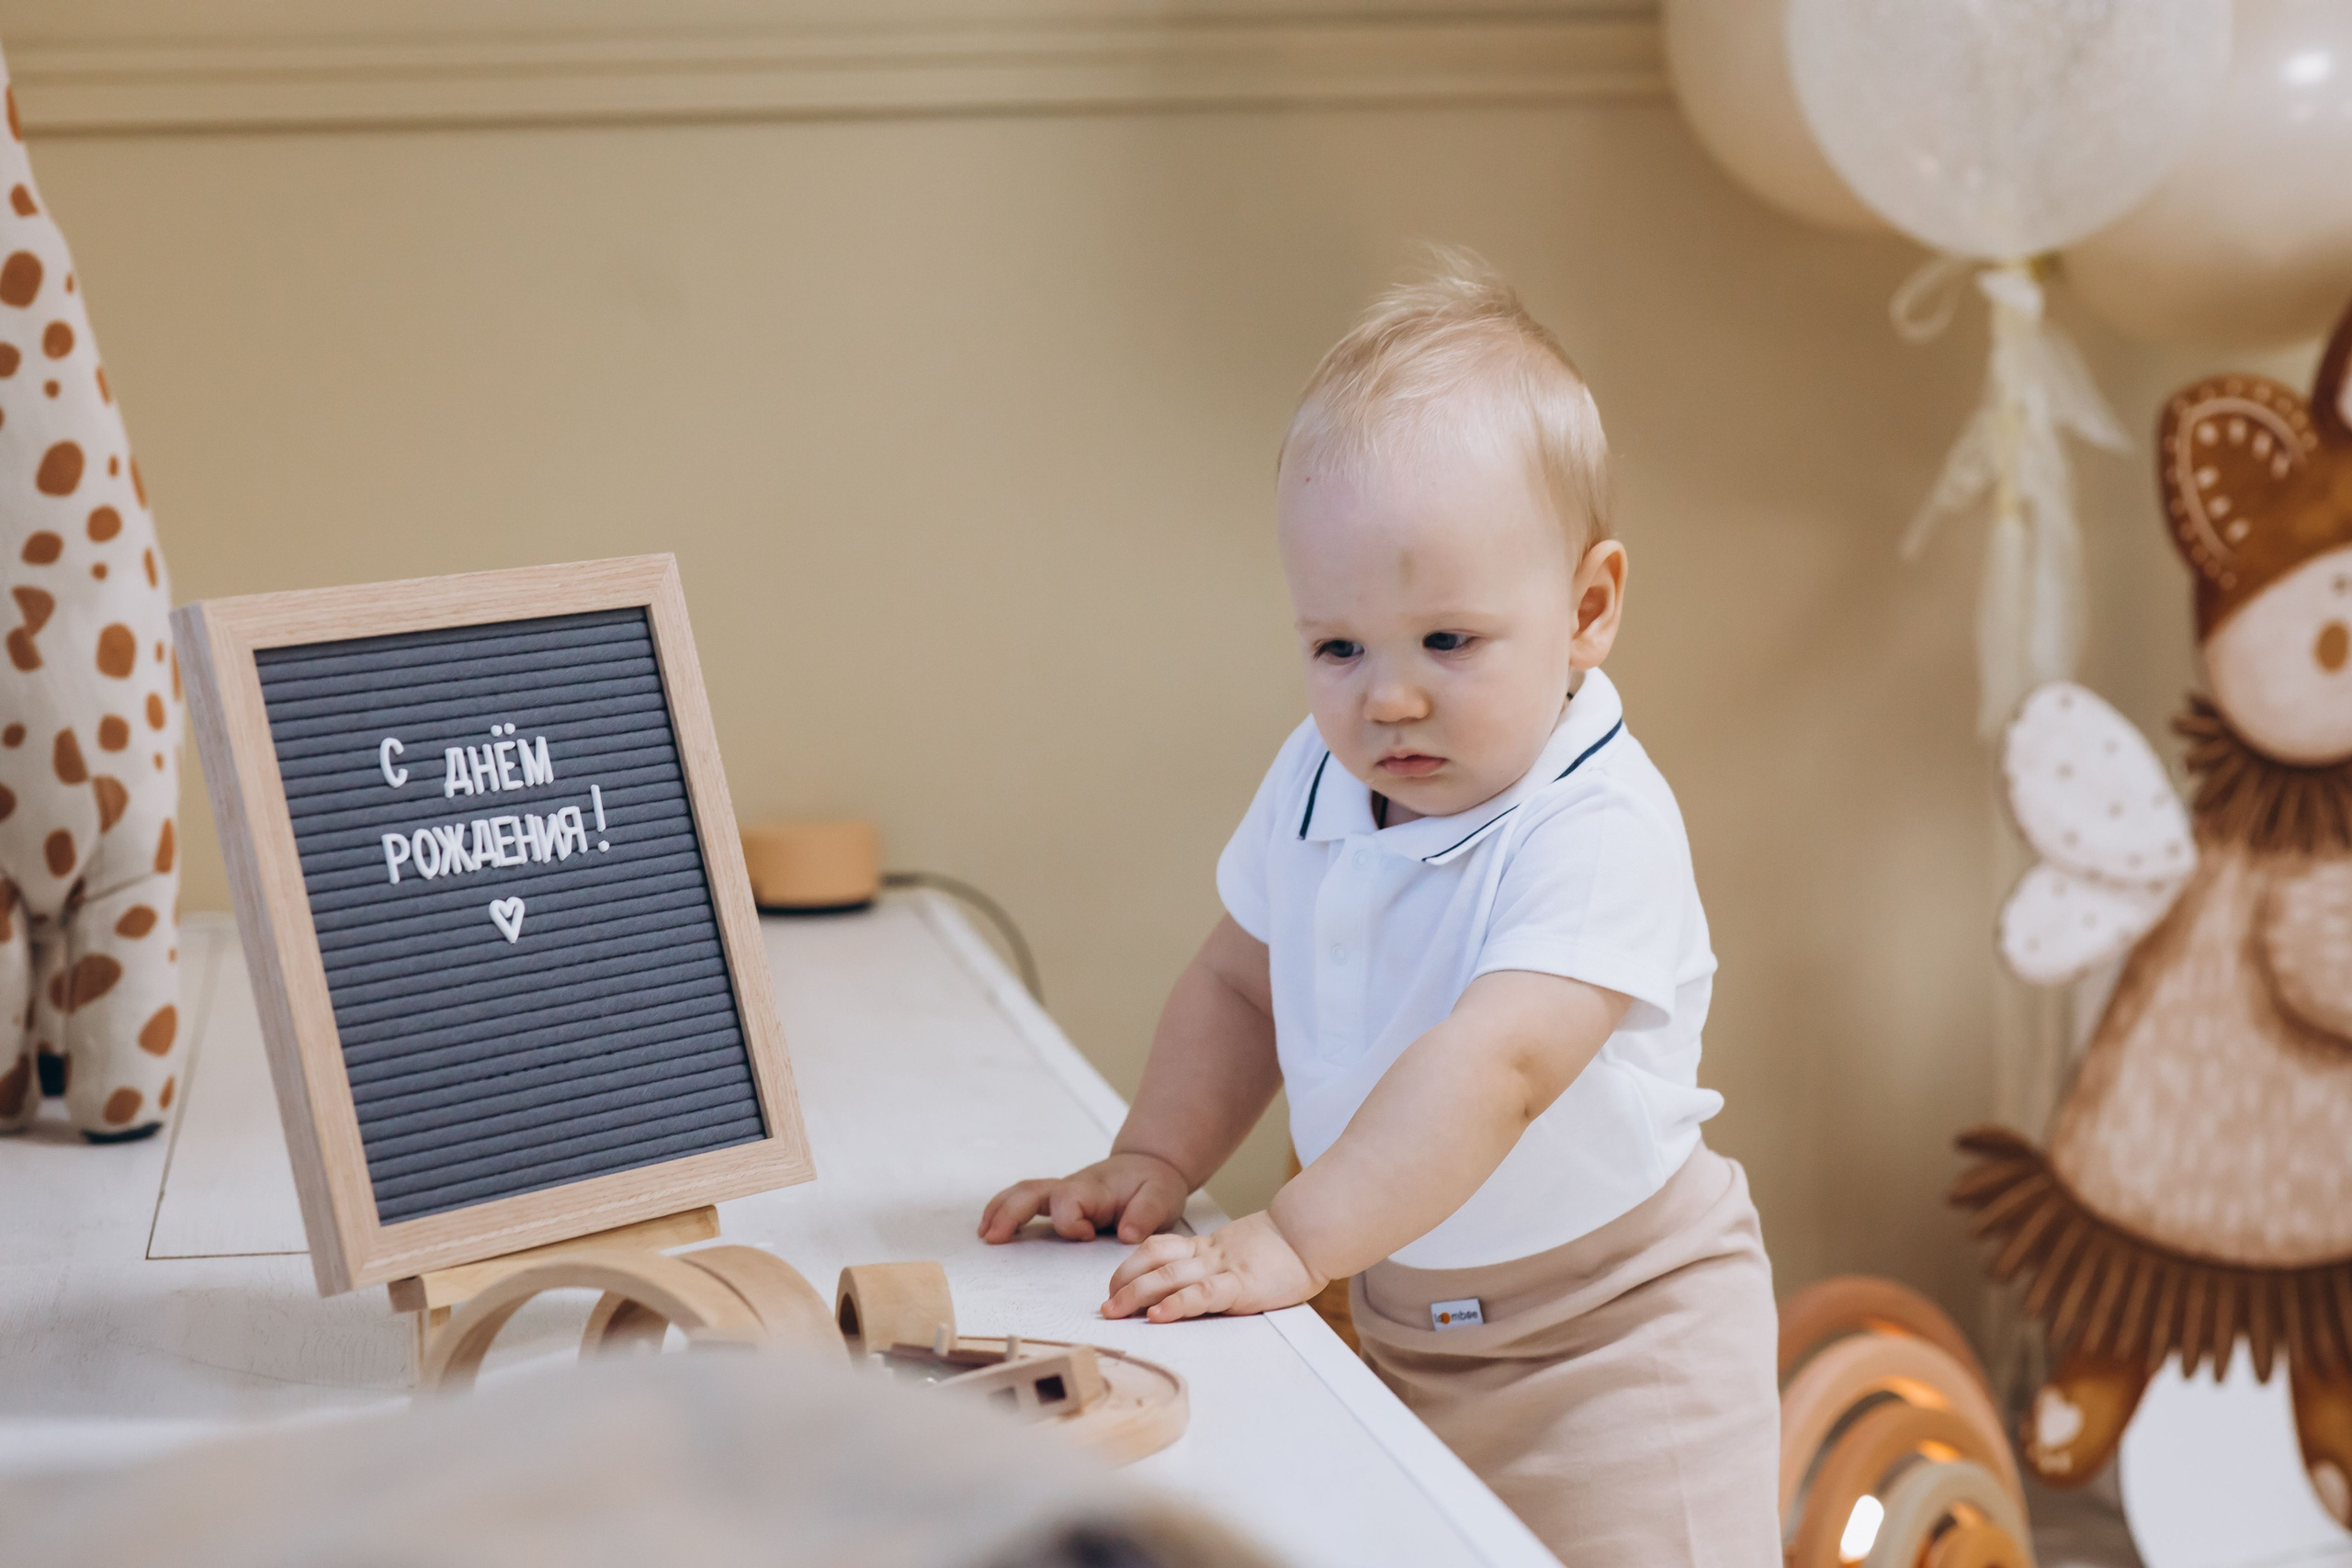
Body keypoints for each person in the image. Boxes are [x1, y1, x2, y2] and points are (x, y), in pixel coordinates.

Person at [978, 252, 1778, 1562]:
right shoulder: (1319, 779)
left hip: (1616, 1346)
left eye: (1446, 643)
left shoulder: (1597, 823)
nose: (1386, 698)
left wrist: (1294, 1237)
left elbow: (1500, 1066)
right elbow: (1242, 979)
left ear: (1587, 610)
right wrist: (1158, 1158)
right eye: (1338, 647)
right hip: (1407, 1313)